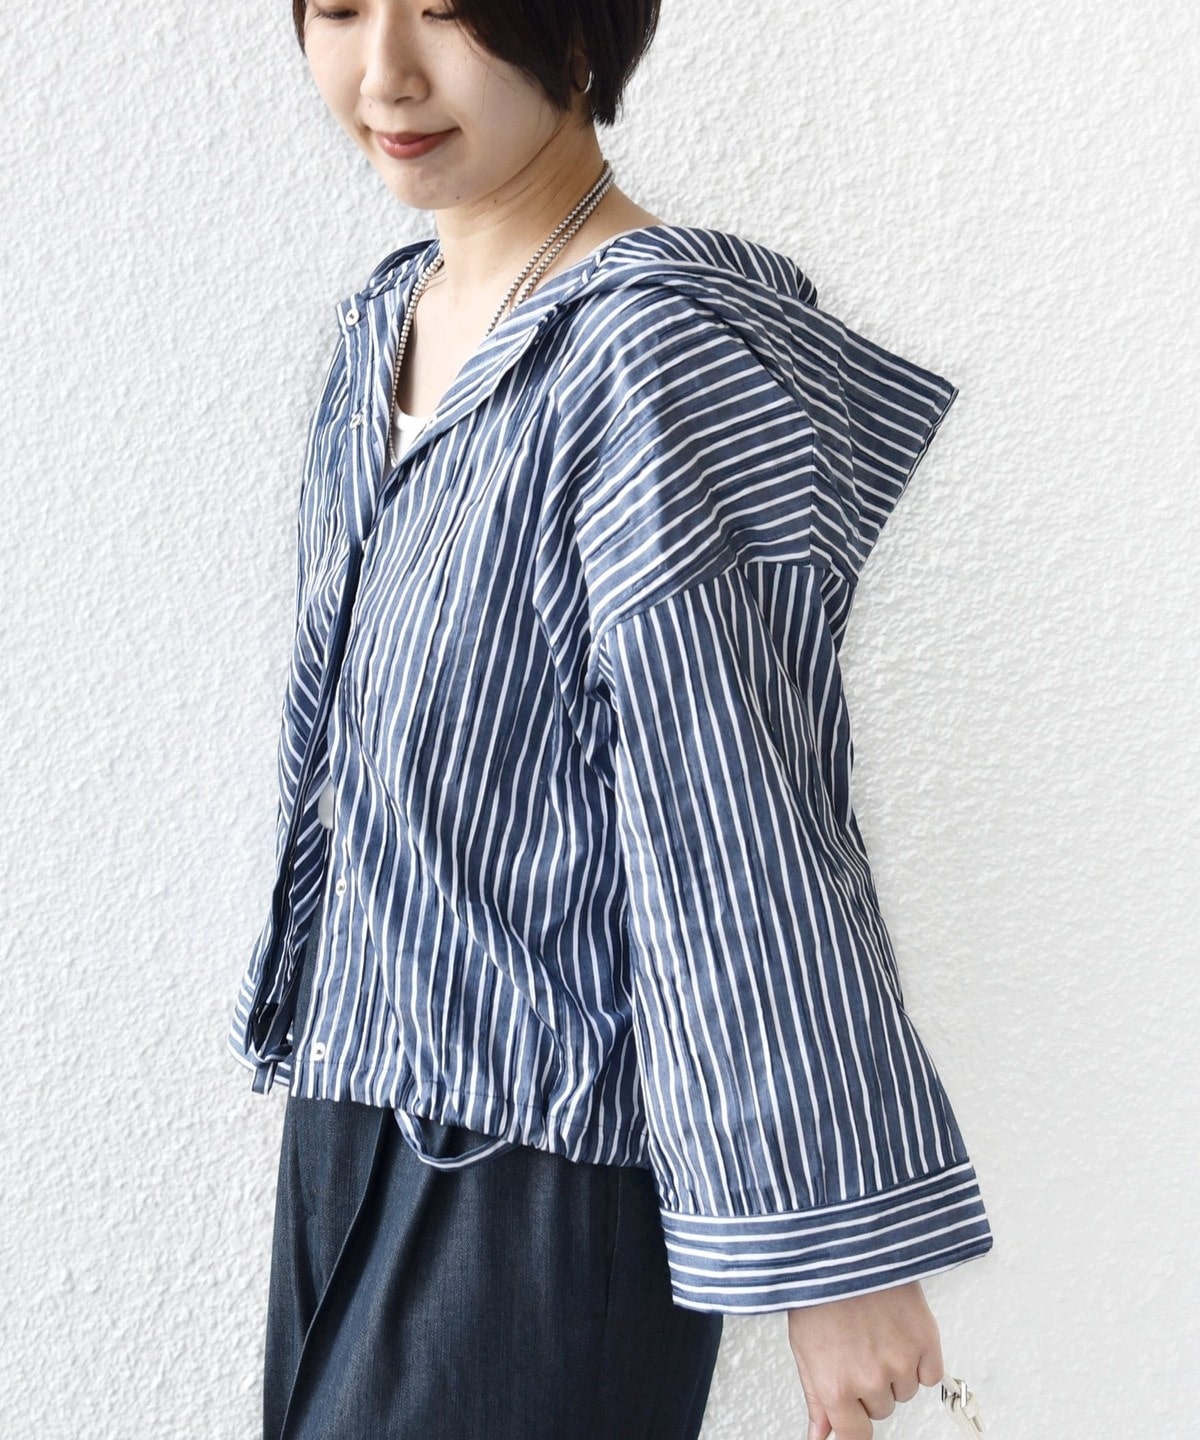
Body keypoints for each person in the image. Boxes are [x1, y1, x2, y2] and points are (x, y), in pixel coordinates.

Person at [226, 2, 995, 1437]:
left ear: (575, 28)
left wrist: (833, 1253)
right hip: (350, 1111)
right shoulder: (382, 332)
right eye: (336, 7)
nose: (384, 73)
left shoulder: (648, 351)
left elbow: (733, 803)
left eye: (445, 10)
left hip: (534, 1172)